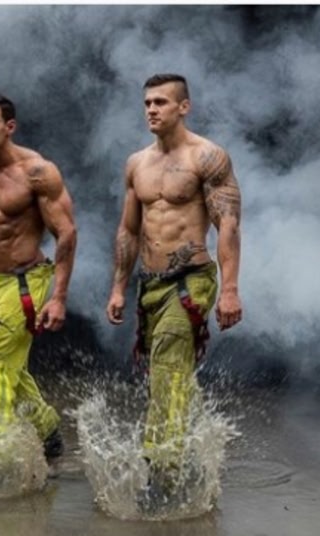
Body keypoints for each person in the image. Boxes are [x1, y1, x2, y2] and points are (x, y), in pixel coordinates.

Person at [105, 74, 243, 485]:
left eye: (161, 102)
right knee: (166, 373)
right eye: (148, 102)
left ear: (184, 107)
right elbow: (129, 230)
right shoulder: (136, 163)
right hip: (151, 284)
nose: (152, 109)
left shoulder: (208, 157)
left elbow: (228, 225)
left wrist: (230, 290)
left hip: (191, 280)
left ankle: (162, 472)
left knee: (167, 365)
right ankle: (193, 446)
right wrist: (118, 287)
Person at [0, 92, 77, 459]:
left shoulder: (38, 172)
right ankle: (47, 428)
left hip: (26, 280)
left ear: (9, 127)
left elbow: (66, 232)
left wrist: (58, 297)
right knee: (8, 364)